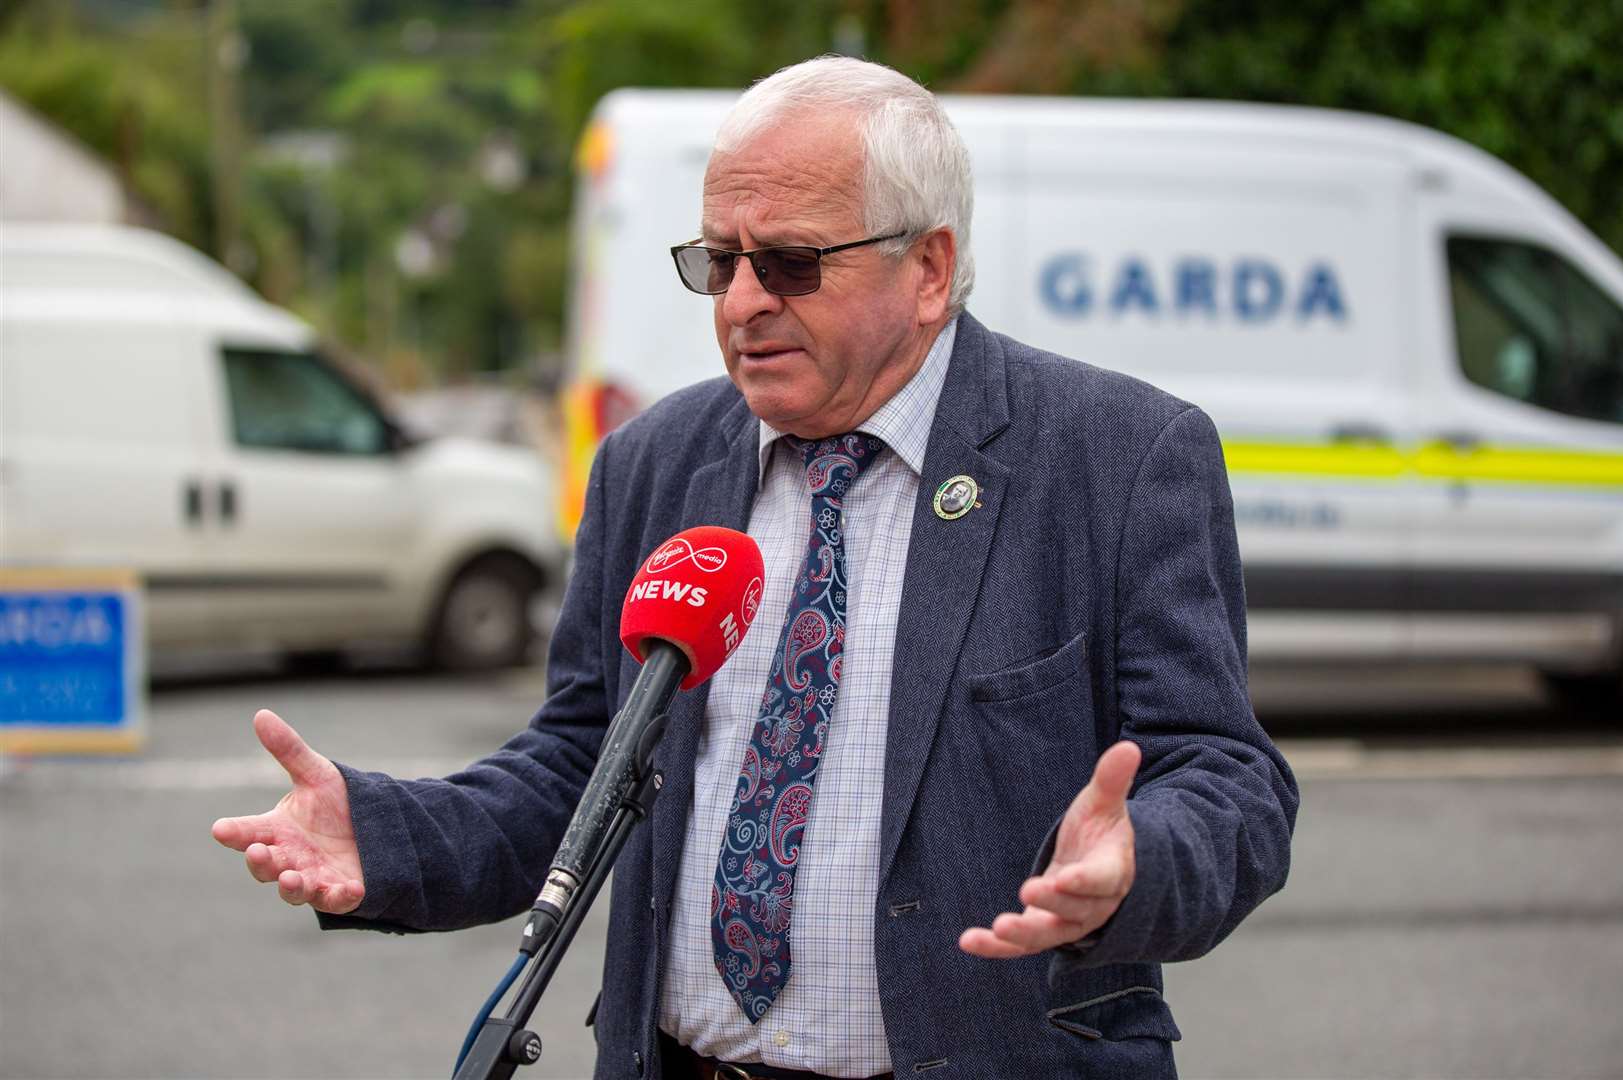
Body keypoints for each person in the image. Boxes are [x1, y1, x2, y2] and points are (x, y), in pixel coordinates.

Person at [212, 56, 1298, 1079]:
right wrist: (393, 834)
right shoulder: (653, 463)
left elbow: (1228, 781)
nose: (740, 304)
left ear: (930, 268)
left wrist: (1139, 864)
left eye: (789, 264)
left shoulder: (1116, 459)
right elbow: (582, 765)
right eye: (718, 263)